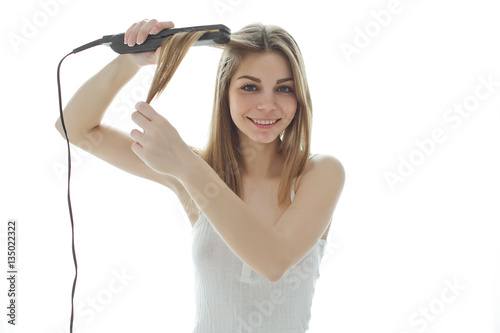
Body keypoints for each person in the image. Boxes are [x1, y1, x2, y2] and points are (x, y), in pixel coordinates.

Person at [55, 18, 345, 332]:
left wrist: (186, 165)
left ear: (299, 97)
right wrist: (130, 61)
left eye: (284, 88)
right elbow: (75, 128)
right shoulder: (194, 170)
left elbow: (273, 263)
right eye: (250, 86)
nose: (267, 104)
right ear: (226, 92)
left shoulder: (319, 173)